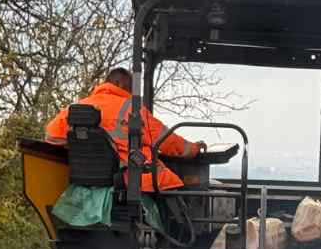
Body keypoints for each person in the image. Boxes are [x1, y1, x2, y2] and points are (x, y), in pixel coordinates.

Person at [44, 67, 204, 192]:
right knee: (176, 187)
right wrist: (194, 148)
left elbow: (51, 136)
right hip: (133, 180)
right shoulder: (133, 109)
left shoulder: (76, 107)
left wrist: (80, 144)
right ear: (119, 85)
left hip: (83, 181)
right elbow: (167, 142)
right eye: (130, 88)